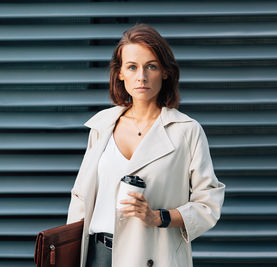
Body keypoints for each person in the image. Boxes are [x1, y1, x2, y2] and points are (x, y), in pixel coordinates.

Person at [66, 23, 225, 267]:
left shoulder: (186, 131)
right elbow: (80, 199)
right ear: (120, 73)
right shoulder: (102, 126)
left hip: (153, 256)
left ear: (165, 72)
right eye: (132, 67)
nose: (141, 76)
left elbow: (208, 204)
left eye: (151, 66)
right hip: (95, 255)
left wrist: (158, 217)